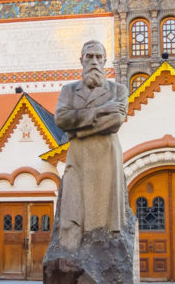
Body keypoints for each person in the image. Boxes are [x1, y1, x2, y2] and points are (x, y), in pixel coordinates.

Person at [54, 40, 129, 251]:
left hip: (106, 157)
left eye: (98, 57)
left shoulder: (118, 90)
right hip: (78, 157)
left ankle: (103, 246)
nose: (94, 61)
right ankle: (71, 249)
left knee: (104, 214)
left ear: (105, 61)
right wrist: (101, 110)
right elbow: (61, 119)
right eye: (89, 57)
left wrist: (76, 132)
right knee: (73, 207)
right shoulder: (69, 91)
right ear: (81, 60)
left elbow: (115, 121)